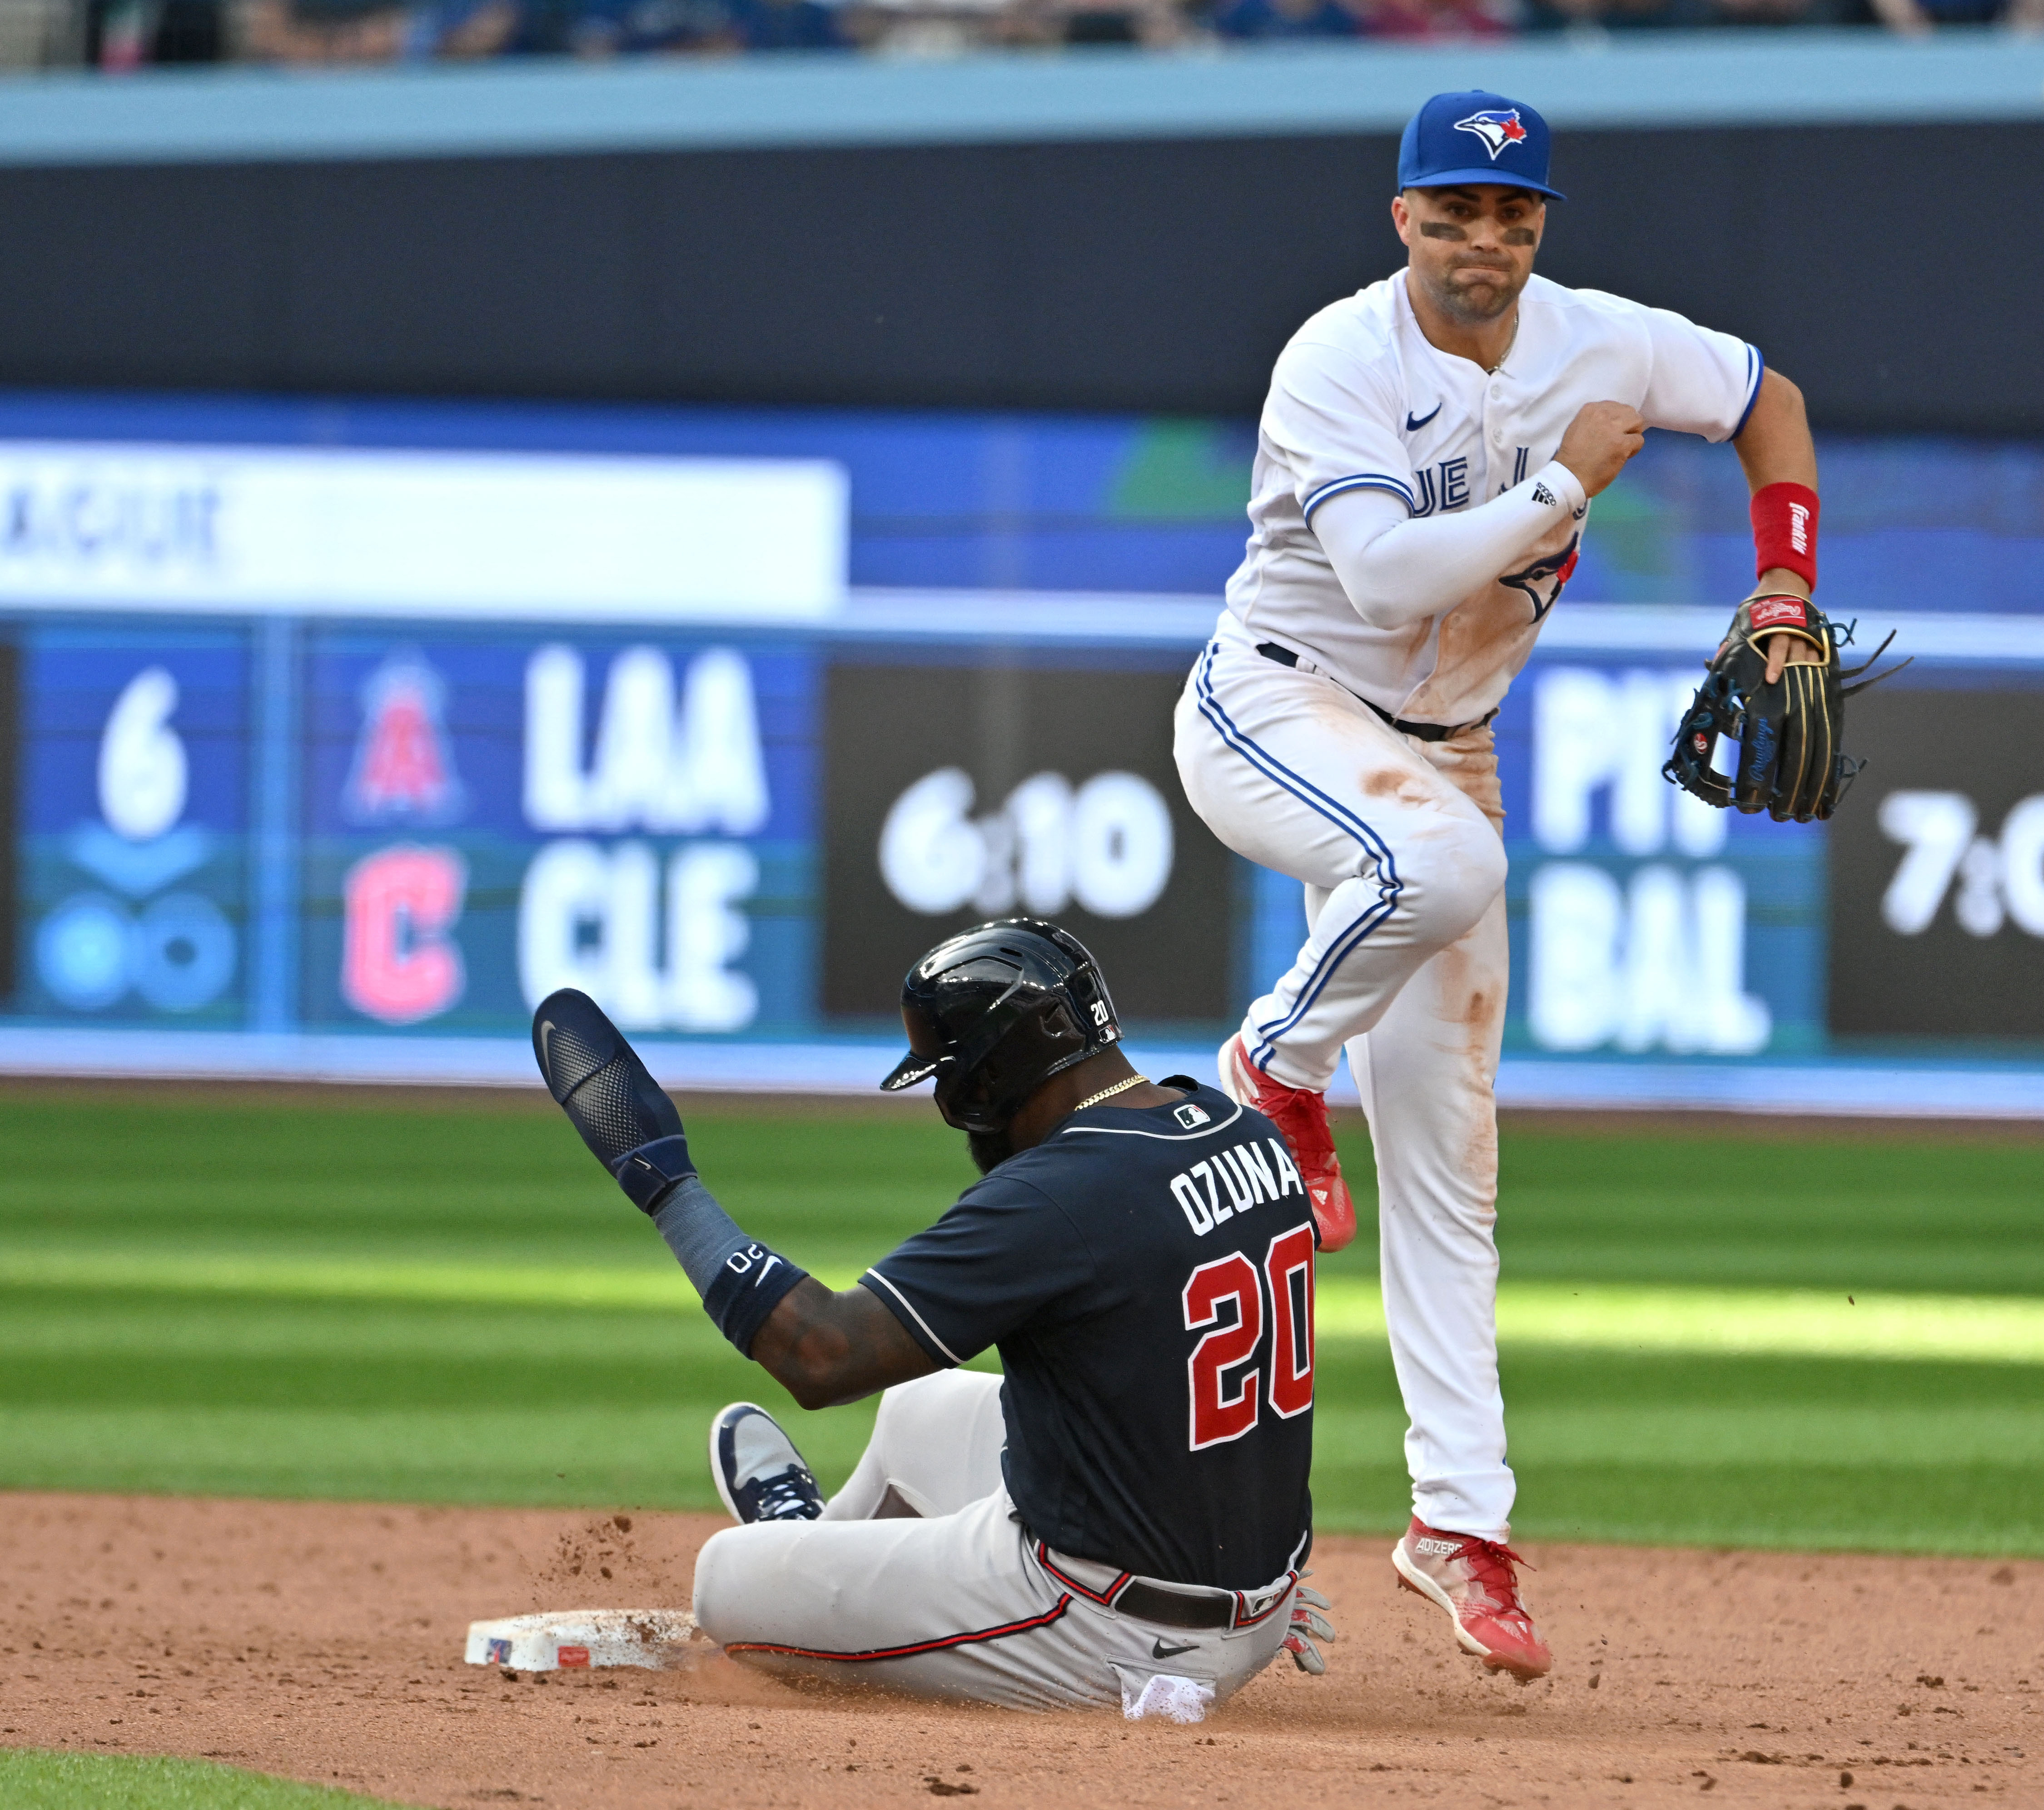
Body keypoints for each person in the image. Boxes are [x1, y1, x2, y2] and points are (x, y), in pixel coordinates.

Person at [1172, 88, 1824, 1681]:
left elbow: (1769, 396)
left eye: (1511, 213)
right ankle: (1275, 1061)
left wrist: (1788, 572)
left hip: (1442, 744)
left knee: (1455, 1171)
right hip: (1274, 707)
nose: (1483, 238)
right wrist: (1565, 486)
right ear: (1401, 217)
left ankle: (1461, 1526)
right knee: (1442, 862)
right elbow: (1386, 574)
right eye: (1452, 211)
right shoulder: (1338, 359)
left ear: (1542, 225)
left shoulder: (1596, 342)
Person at [529, 917, 1333, 1713]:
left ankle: (783, 1564)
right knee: (919, 1406)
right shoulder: (1245, 1131)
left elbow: (823, 1354)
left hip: (1102, 1625)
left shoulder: (1058, 1191)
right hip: (1260, 1598)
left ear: (1000, 1068)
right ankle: (817, 1539)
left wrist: (668, 1185)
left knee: (723, 1577)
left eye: (957, 1077)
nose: (956, 1102)